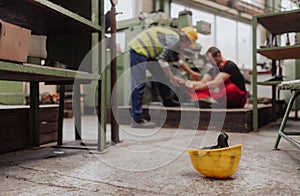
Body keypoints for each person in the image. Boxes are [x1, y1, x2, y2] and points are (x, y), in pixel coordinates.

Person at [128, 26, 200, 128]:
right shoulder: (175, 39)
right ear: (186, 40)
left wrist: (192, 72)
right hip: (138, 50)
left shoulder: (174, 38)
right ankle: (137, 119)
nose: (187, 47)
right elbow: (162, 60)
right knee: (139, 84)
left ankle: (168, 101)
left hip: (148, 54)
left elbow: (177, 60)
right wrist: (172, 77)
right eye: (189, 45)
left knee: (161, 76)